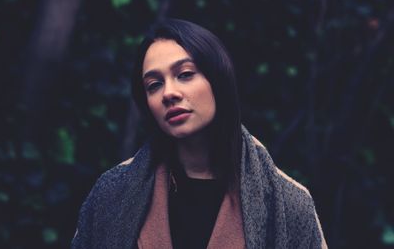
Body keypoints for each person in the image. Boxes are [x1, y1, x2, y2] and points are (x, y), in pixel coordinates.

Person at [71, 18, 328, 249]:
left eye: (185, 74)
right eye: (154, 85)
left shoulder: (288, 203)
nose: (168, 93)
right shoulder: (111, 194)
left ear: (218, 79)